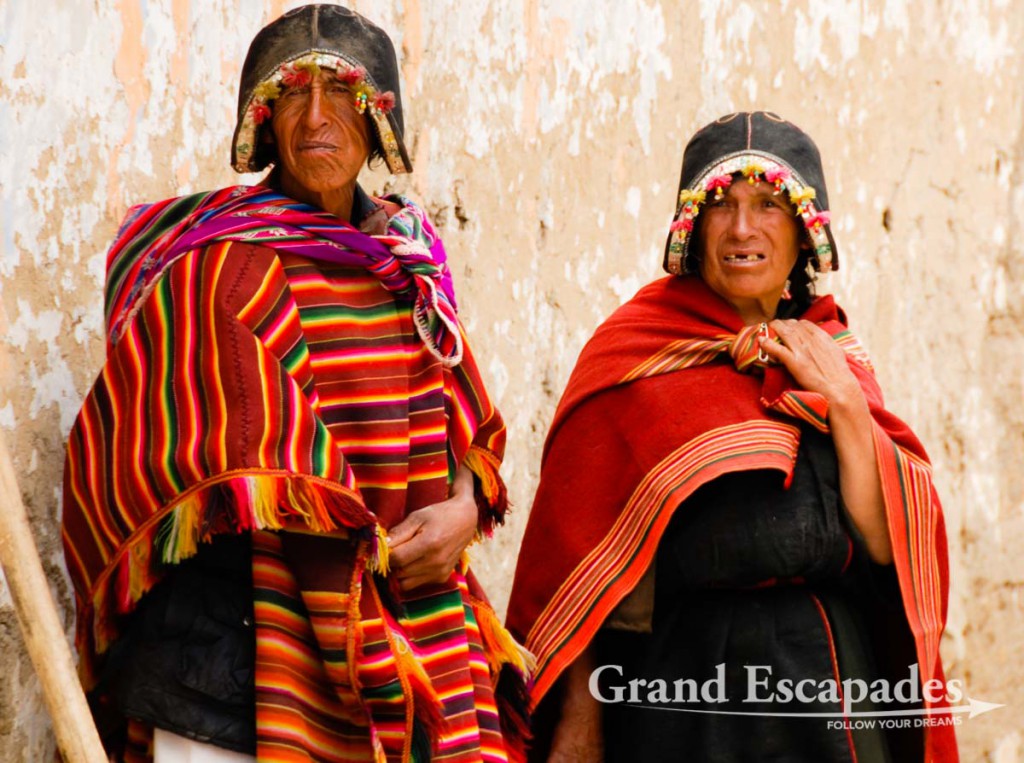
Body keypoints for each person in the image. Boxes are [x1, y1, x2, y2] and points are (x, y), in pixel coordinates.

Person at [62, 6, 529, 762]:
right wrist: (361, 542)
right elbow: (255, 460)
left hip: (406, 626)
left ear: (379, 121)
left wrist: (463, 509)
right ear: (264, 121)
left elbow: (462, 424)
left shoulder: (407, 264)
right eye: (291, 94)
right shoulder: (218, 267)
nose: (316, 118)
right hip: (230, 666)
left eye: (343, 91)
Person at [506, 112, 957, 762]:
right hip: (682, 691)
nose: (742, 228)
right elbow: (575, 564)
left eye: (769, 205)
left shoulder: (832, 352)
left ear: (805, 232)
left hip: (829, 685)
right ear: (691, 230)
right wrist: (581, 722)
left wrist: (846, 405)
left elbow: (890, 546)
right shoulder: (634, 355)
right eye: (720, 205)